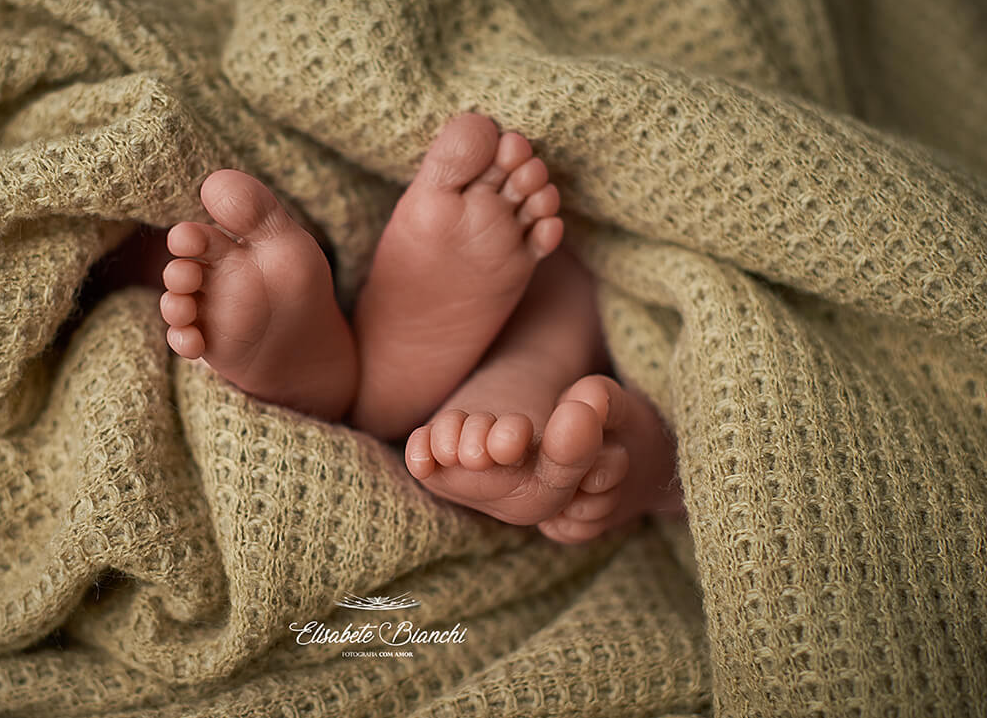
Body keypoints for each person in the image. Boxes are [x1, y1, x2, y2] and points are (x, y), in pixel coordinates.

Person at [158, 114, 682, 543]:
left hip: (595, 314)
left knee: (650, 429)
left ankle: (624, 450)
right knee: (575, 321)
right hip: (586, 296)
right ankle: (568, 409)